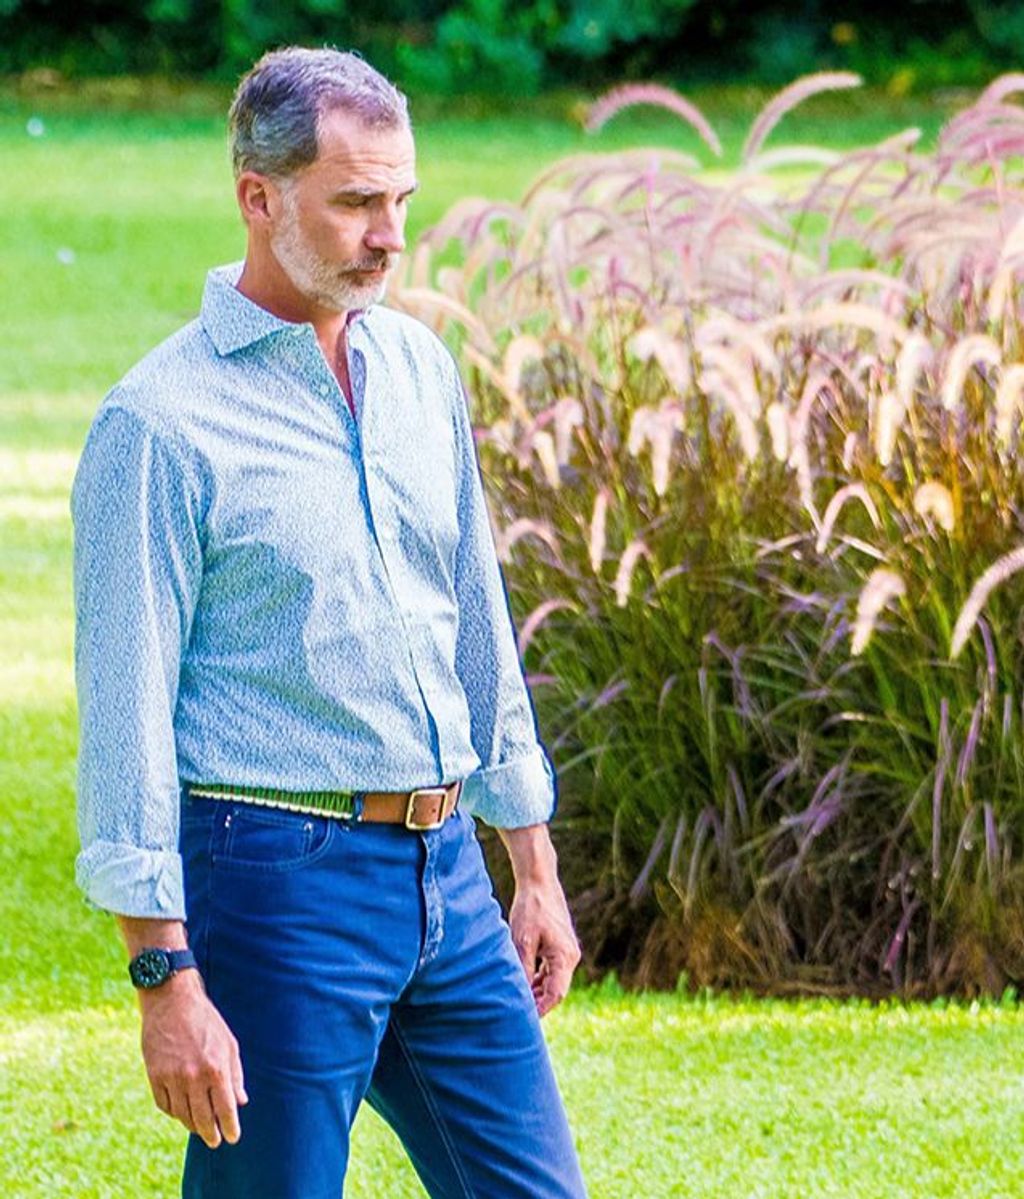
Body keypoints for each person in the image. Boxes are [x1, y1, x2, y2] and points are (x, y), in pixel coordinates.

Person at [71, 45, 588, 1199]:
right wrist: (164, 978)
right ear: (258, 197)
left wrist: (531, 862)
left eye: (401, 199)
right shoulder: (159, 425)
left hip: (447, 877)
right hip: (275, 882)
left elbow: (475, 618)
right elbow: (125, 720)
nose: (389, 234)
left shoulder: (417, 369)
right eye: (355, 201)